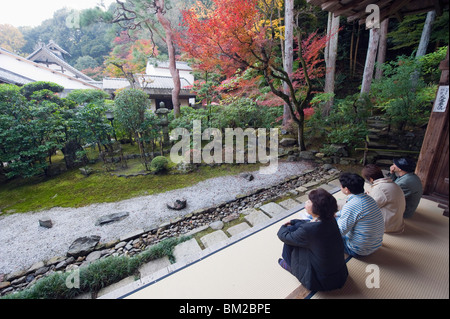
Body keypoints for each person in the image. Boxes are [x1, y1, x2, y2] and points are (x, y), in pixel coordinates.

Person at [277, 188, 348, 292]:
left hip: (319, 281)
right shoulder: (330, 218)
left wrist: (284, 226)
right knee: (295, 229)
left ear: (316, 208)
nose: (306, 202)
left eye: (309, 201)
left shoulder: (309, 230)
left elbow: (282, 235)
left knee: (290, 234)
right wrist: (294, 221)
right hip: (339, 275)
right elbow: (309, 224)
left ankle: (289, 264)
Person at [336, 173, 385, 257]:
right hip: (375, 244)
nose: (340, 188)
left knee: (327, 230)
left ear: (346, 190)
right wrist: (336, 214)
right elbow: (349, 212)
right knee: (336, 219)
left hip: (358, 250)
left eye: (341, 186)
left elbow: (340, 231)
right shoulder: (368, 198)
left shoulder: (352, 205)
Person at [362, 164, 406, 233]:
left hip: (387, 226)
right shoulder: (393, 184)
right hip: (397, 221)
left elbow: (369, 207)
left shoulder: (380, 189)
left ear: (371, 179)